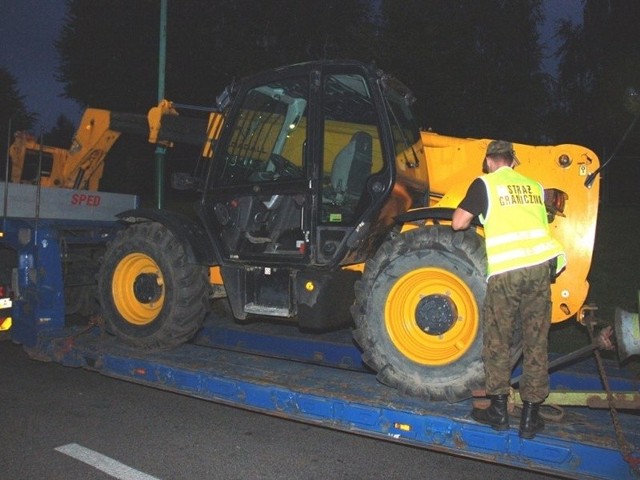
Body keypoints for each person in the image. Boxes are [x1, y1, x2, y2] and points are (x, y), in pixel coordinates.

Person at [452, 140, 566, 439]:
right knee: (536, 339)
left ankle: (499, 411)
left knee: (498, 339)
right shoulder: (533, 186)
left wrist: (480, 214)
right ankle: (529, 418)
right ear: (513, 161)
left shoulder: (485, 185)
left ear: (489, 161)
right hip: (540, 268)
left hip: (506, 273)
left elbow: (457, 223)